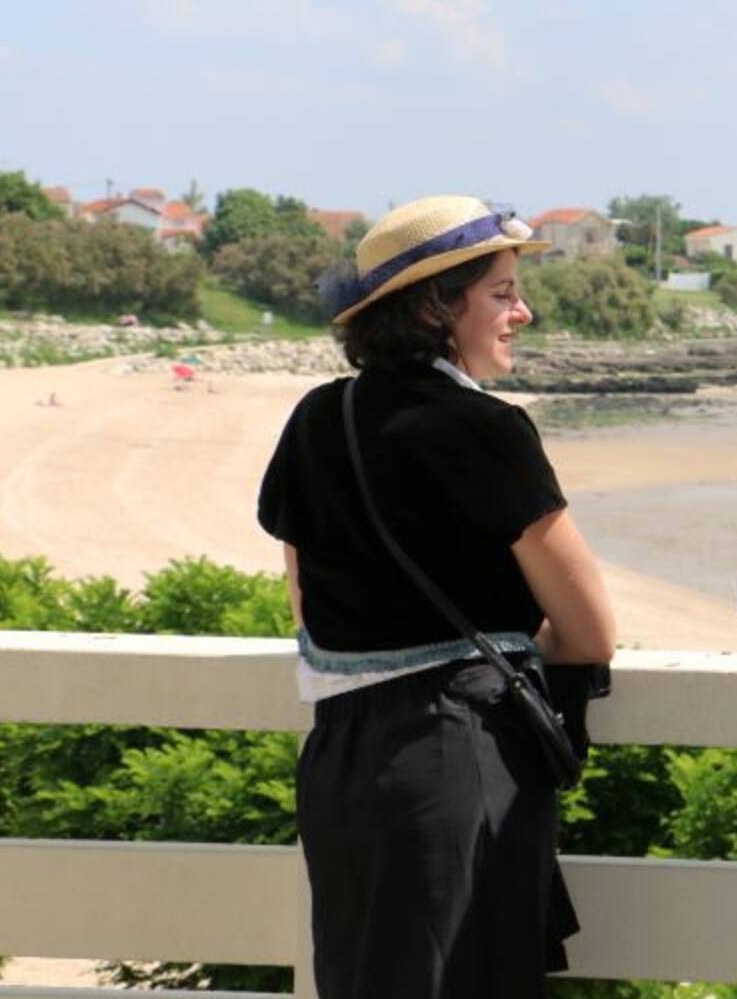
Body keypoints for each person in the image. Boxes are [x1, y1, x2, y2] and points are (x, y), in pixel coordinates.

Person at [257, 195, 617, 998]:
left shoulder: (319, 417)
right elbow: (591, 632)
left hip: (341, 758)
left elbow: (307, 610)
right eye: (501, 292)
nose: (522, 311)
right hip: (457, 756)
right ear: (433, 306)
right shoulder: (488, 430)